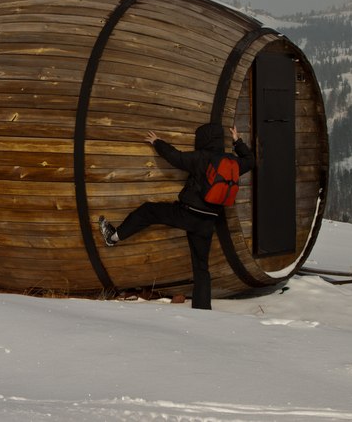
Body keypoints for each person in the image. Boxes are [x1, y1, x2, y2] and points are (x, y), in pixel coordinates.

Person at [98, 123, 254, 310]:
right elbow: (251, 160)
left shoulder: (201, 157)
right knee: (201, 267)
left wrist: (157, 142)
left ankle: (113, 237)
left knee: (149, 210)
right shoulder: (232, 162)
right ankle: (202, 310)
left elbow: (175, 157)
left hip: (187, 214)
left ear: (203, 139)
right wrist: (238, 142)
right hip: (208, 221)